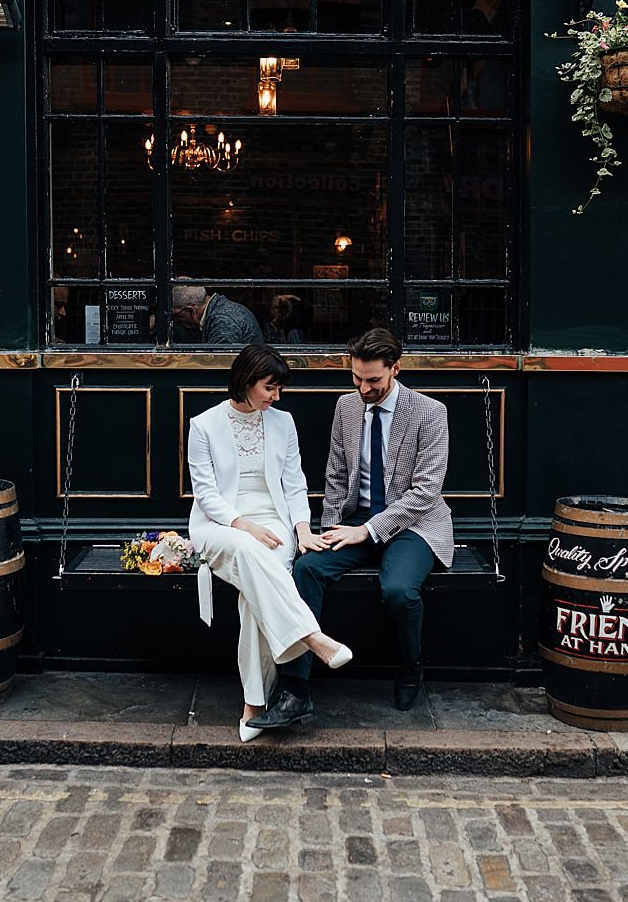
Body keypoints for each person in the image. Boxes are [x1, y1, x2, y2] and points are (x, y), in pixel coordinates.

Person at [250, 327, 452, 728]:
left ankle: (411, 665)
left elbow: (426, 492)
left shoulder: (430, 413)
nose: (363, 388)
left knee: (398, 590)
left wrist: (368, 531)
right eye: (356, 378)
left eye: (373, 380)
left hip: (413, 524)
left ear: (396, 368)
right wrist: (329, 529)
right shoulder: (346, 407)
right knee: (306, 569)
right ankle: (296, 689)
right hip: (353, 520)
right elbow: (337, 476)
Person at [187, 344, 354, 742]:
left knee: (253, 597)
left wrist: (301, 530)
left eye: (279, 390)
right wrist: (242, 524)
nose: (276, 396)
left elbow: (295, 483)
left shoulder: (283, 422)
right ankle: (314, 640)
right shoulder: (204, 425)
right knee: (248, 550)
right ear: (246, 382)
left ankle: (254, 705)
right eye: (269, 388)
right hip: (221, 525)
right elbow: (206, 493)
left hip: (275, 524)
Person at [172, 284, 265, 345]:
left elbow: (220, 365)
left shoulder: (223, 321)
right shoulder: (218, 311)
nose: (175, 321)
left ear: (191, 311)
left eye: (175, 315)